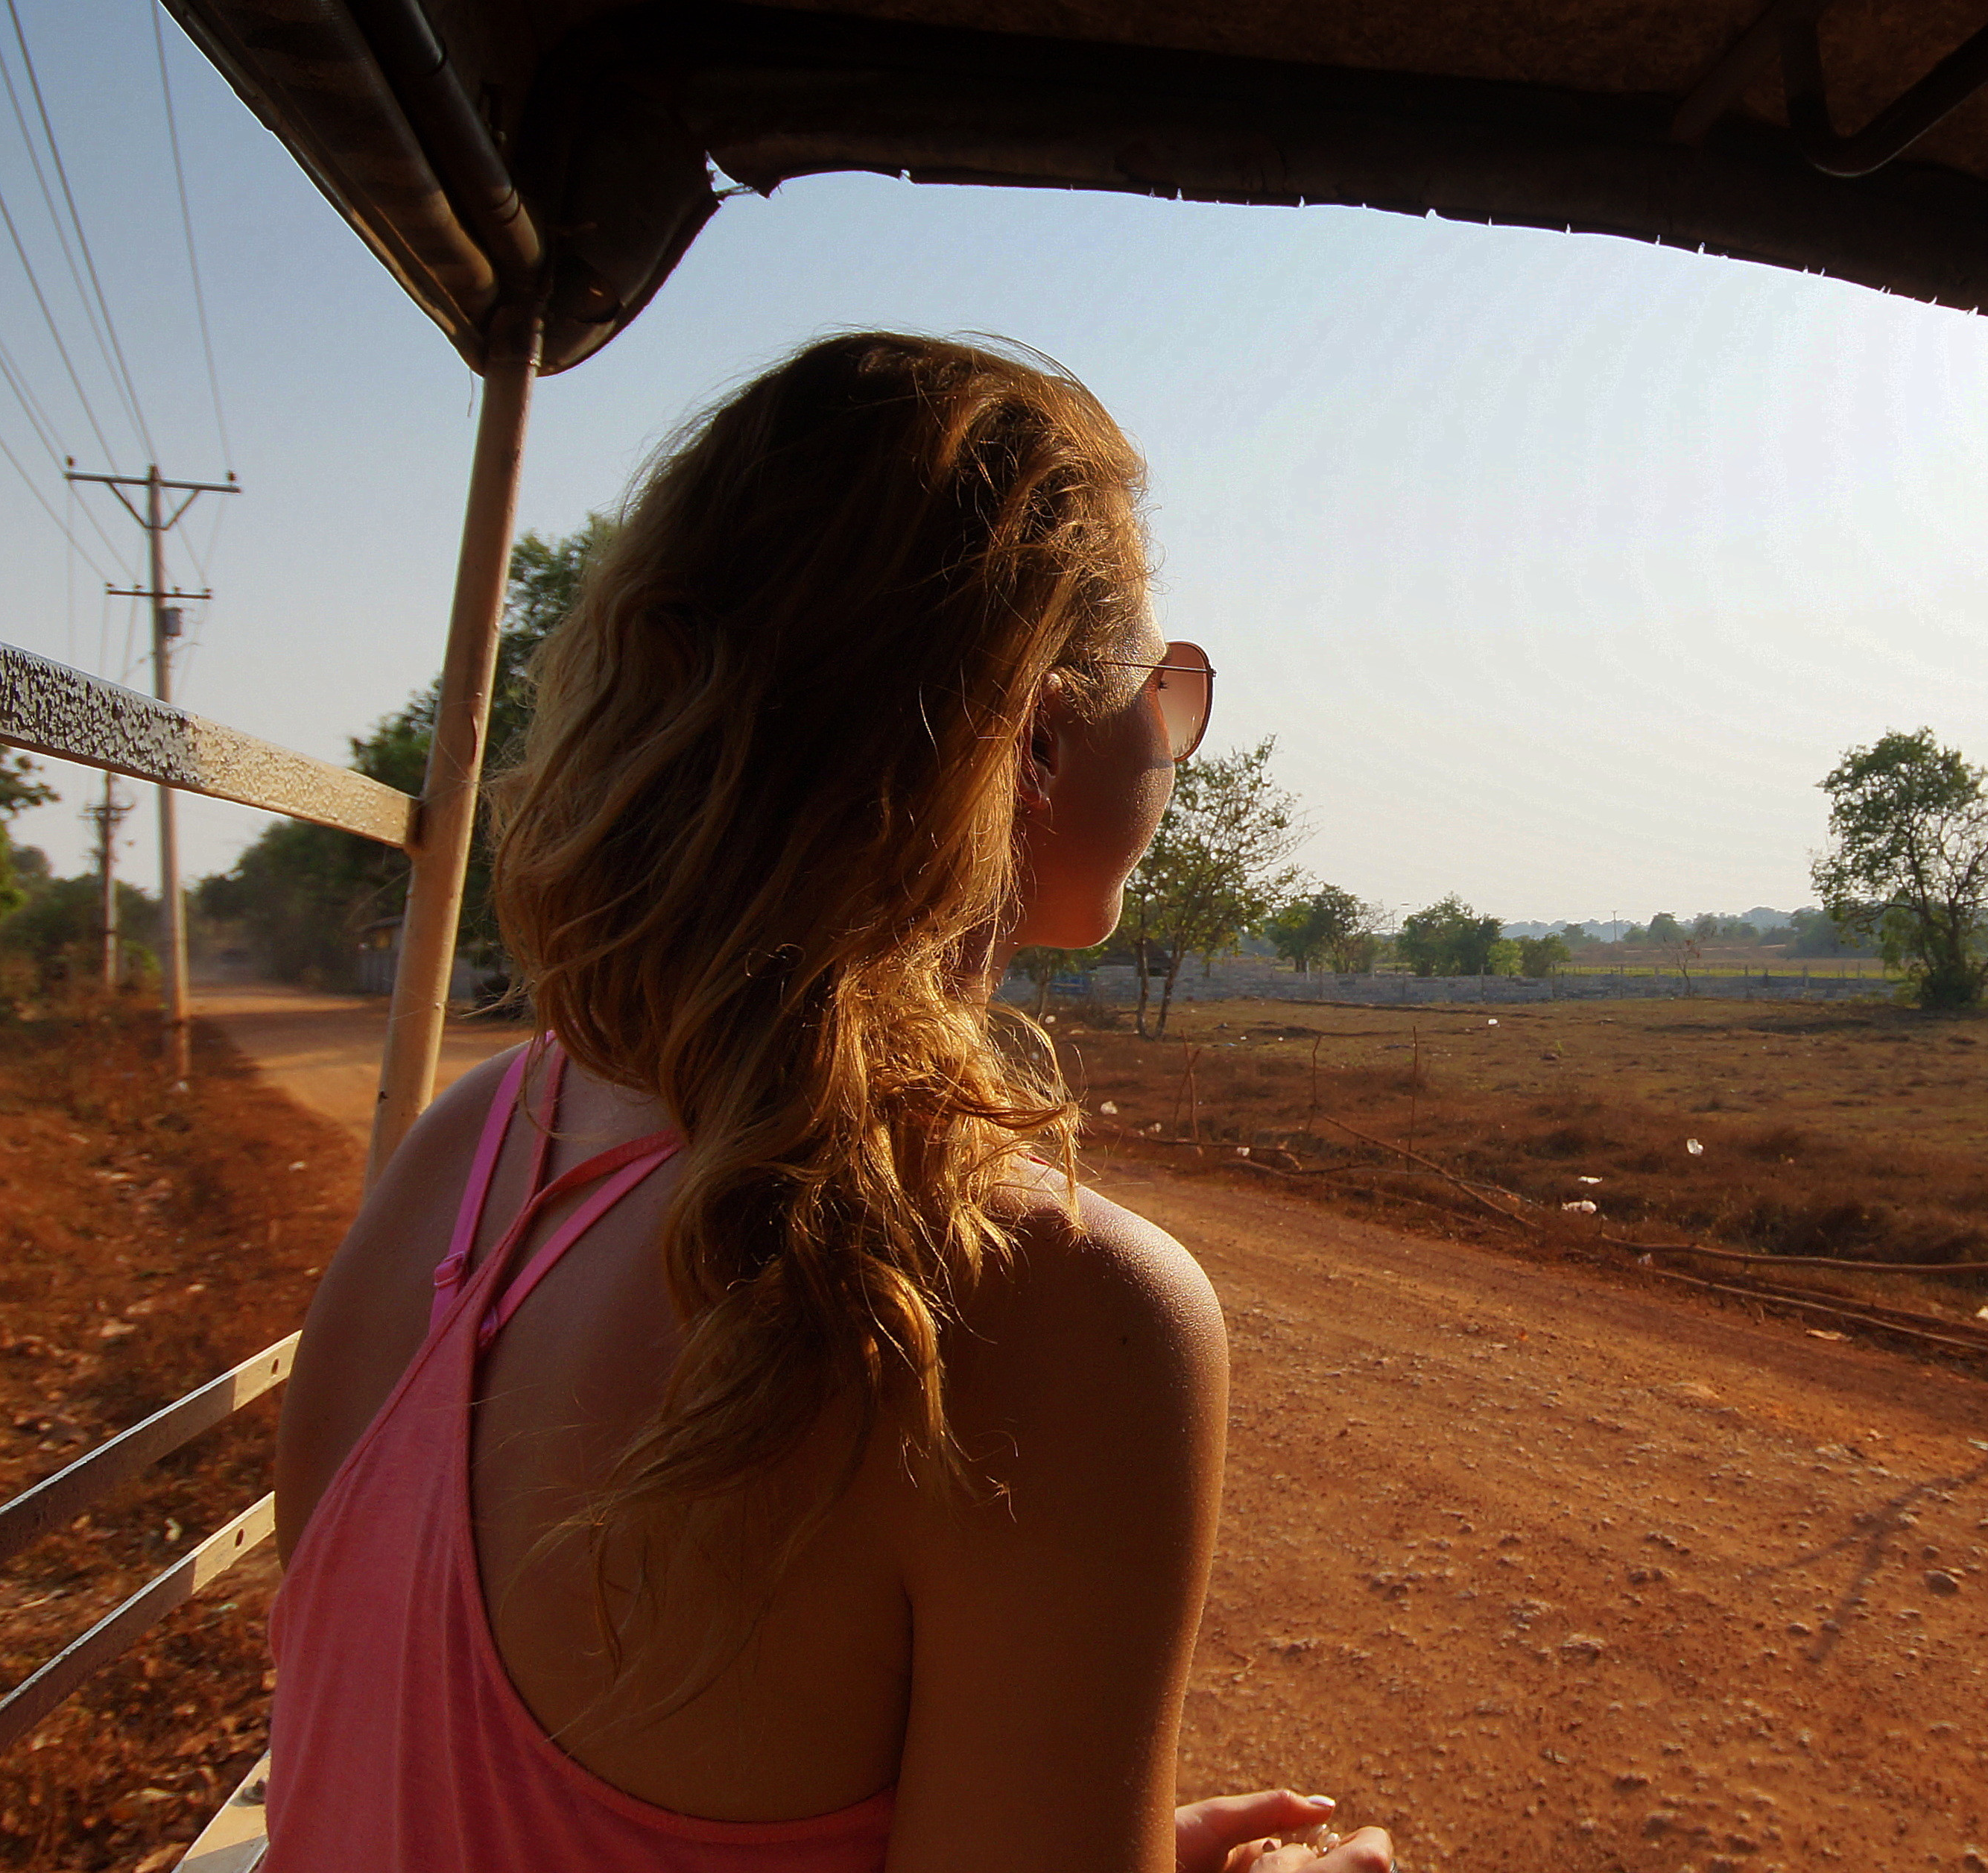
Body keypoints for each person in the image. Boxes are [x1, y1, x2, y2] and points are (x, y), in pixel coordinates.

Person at [265, 332, 1393, 1873]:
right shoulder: (1049, 1304)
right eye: (1170, 685)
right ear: (1040, 736)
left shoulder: (474, 1146)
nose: (1181, 733)